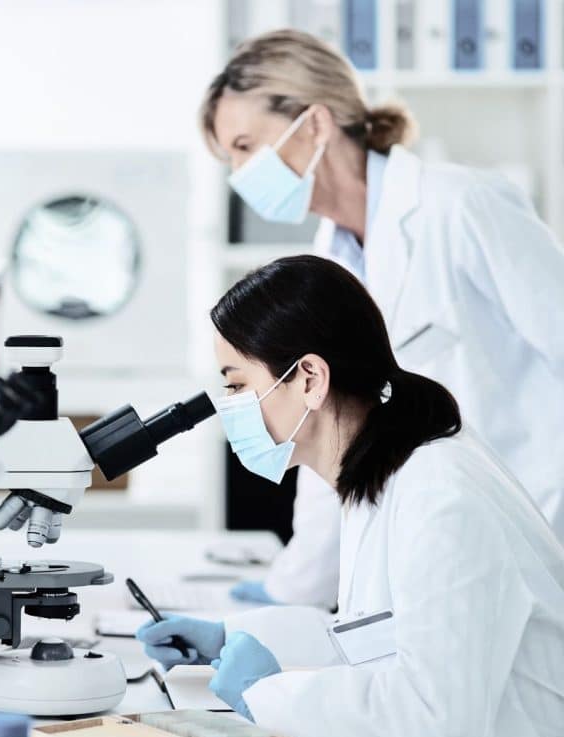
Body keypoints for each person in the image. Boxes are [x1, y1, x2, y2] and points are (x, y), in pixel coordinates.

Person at [137, 256, 564, 737]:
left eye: (235, 384)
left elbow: (437, 716)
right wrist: (233, 637)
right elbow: (370, 639)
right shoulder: (381, 475)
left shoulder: (439, 499)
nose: (229, 407)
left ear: (311, 378)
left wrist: (265, 693)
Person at [199, 29, 564, 607]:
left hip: (536, 528)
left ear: (314, 124)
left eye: (245, 146)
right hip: (440, 550)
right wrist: (288, 594)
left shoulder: (459, 204)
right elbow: (331, 438)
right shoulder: (326, 263)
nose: (239, 173)